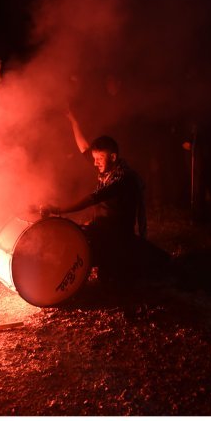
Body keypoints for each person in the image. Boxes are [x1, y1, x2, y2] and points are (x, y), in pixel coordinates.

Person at [41, 109, 147, 289]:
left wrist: (58, 210)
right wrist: (73, 120)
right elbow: (84, 147)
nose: (95, 163)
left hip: (116, 235)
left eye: (99, 158)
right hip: (102, 228)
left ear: (113, 157)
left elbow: (91, 199)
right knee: (74, 238)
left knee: (111, 279)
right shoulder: (106, 167)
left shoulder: (123, 178)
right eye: (94, 158)